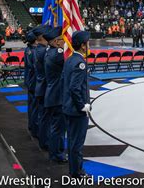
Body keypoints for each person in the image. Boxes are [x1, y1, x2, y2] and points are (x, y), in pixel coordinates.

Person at [63, 31, 91, 178]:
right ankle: (77, 172)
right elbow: (75, 87)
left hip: (68, 107)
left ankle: (73, 170)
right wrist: (82, 105)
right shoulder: (80, 63)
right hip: (76, 110)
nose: (89, 45)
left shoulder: (69, 59)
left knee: (73, 141)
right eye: (87, 43)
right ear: (82, 45)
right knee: (77, 143)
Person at [43, 26, 67, 163]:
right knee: (58, 128)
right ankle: (56, 154)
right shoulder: (58, 54)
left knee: (55, 127)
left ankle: (56, 152)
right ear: (57, 42)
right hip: (57, 96)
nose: (65, 42)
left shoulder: (49, 52)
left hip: (52, 94)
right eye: (63, 39)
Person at [33, 25, 49, 150]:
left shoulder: (37, 49)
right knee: (44, 117)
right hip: (44, 87)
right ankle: (44, 142)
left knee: (42, 116)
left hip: (40, 85)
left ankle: (43, 139)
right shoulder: (43, 51)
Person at [23, 31, 38, 137]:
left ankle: (31, 125)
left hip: (29, 79)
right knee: (34, 105)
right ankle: (34, 127)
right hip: (33, 80)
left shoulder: (28, 49)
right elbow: (34, 66)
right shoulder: (32, 51)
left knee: (31, 105)